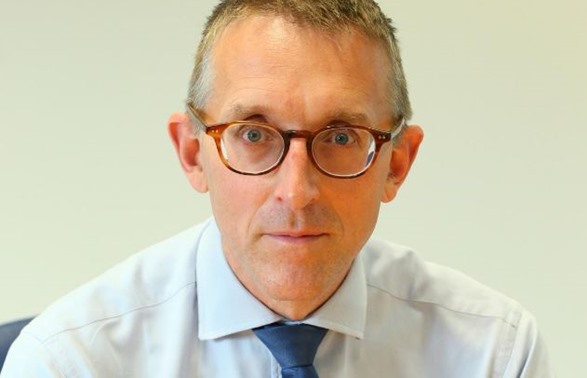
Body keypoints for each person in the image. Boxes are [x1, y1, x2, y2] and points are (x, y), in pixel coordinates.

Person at [2, 0, 553, 377]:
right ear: (193, 154)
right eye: (253, 135)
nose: (296, 191)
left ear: (396, 164)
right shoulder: (72, 359)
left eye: (341, 135)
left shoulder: (492, 354)